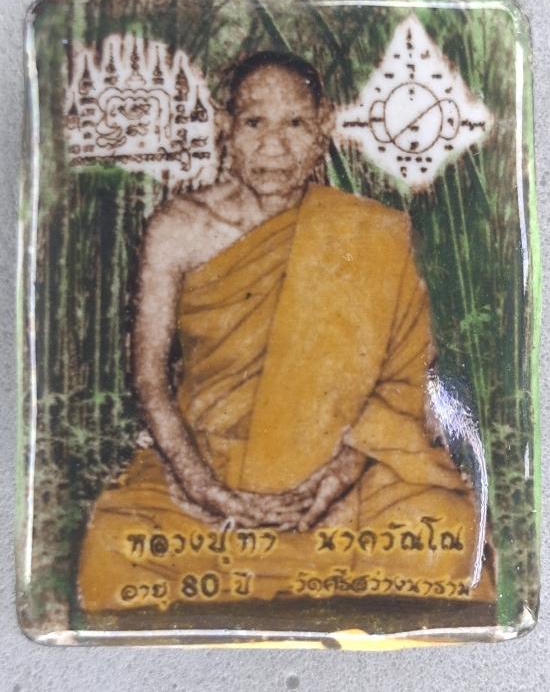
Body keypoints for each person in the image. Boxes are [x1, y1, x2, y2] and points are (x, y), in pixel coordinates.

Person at [78, 52, 494, 611]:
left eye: (295, 123)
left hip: (345, 465)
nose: (273, 147)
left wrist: (339, 475)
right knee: (113, 547)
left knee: (446, 532)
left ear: (323, 127)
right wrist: (203, 487)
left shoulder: (371, 231)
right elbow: (150, 380)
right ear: (225, 126)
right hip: (209, 460)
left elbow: (401, 381)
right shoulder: (178, 229)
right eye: (255, 122)